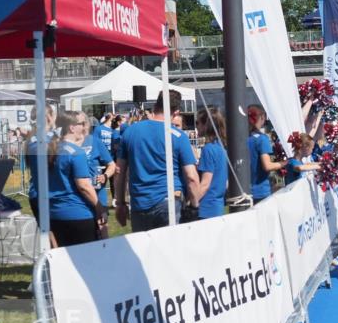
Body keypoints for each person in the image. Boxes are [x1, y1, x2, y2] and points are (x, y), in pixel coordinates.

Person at [115, 90, 200, 232]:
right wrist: (195, 206)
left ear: (155, 106)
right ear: (176, 112)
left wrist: (120, 203)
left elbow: (119, 171)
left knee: (143, 246)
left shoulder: (130, 132)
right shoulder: (178, 136)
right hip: (169, 202)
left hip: (139, 203)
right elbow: (192, 177)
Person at [46, 111, 105, 246]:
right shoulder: (76, 152)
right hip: (77, 214)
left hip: (54, 213)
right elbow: (84, 186)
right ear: (72, 128)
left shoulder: (52, 150)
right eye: (81, 124)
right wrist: (99, 207)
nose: (84, 127)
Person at [79, 113, 115, 237]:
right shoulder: (69, 143)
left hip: (98, 195)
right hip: (78, 198)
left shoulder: (95, 142)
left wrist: (105, 176)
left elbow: (112, 165)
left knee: (102, 229)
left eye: (85, 124)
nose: (83, 127)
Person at [193, 107, 229, 219]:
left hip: (206, 208)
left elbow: (205, 184)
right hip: (218, 205)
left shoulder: (208, 149)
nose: (196, 126)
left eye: (197, 122)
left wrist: (192, 201)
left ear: (206, 125)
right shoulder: (221, 148)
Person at [247, 105, 285, 203]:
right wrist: (285, 163)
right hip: (260, 192)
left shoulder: (244, 137)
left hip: (244, 191)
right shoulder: (262, 139)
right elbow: (267, 166)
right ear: (262, 117)